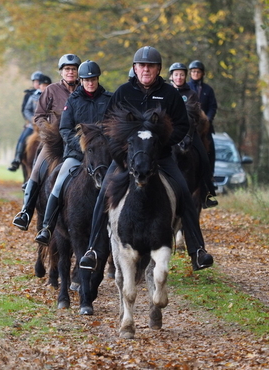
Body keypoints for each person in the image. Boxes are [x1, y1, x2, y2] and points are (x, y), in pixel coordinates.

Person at [79, 46, 215, 272]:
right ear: (135, 68)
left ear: (158, 69)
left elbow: (182, 125)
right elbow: (108, 128)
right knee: (103, 193)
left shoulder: (170, 94)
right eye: (141, 66)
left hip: (160, 157)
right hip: (125, 158)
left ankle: (197, 250)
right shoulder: (123, 93)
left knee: (183, 191)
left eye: (150, 66)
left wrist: (161, 143)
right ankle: (93, 250)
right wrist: (120, 155)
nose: (145, 70)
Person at [34, 60, 112, 244]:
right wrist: (82, 145)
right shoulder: (73, 100)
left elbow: (115, 126)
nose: (90, 83)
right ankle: (47, 226)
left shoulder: (109, 99)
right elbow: (65, 129)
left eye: (93, 79)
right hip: (77, 155)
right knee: (59, 182)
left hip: (103, 155)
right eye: (86, 80)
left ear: (97, 79)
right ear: (82, 80)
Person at [12, 53, 81, 231]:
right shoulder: (51, 90)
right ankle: (26, 212)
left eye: (73, 69)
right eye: (67, 69)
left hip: (78, 142)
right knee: (36, 171)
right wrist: (48, 129)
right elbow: (39, 116)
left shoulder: (85, 89)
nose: (70, 72)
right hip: (54, 142)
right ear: (61, 72)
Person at [169, 62, 218, 208]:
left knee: (204, 156)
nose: (179, 77)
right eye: (176, 74)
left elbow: (198, 115)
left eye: (181, 75)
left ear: (185, 76)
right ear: (171, 76)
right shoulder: (167, 92)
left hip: (190, 132)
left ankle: (207, 192)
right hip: (171, 133)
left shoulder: (191, 94)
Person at [8, 71, 51, 171]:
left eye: (46, 85)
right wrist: (33, 120)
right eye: (42, 84)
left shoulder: (53, 96)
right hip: (33, 125)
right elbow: (26, 110)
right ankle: (17, 159)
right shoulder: (32, 96)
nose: (43, 87)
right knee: (22, 139)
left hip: (48, 125)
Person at [187, 60, 218, 168]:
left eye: (198, 72)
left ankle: (210, 175)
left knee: (210, 149)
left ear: (202, 73)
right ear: (190, 73)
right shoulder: (186, 87)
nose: (195, 73)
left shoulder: (208, 90)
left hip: (204, 125)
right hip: (189, 125)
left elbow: (213, 106)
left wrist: (208, 118)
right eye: (193, 71)